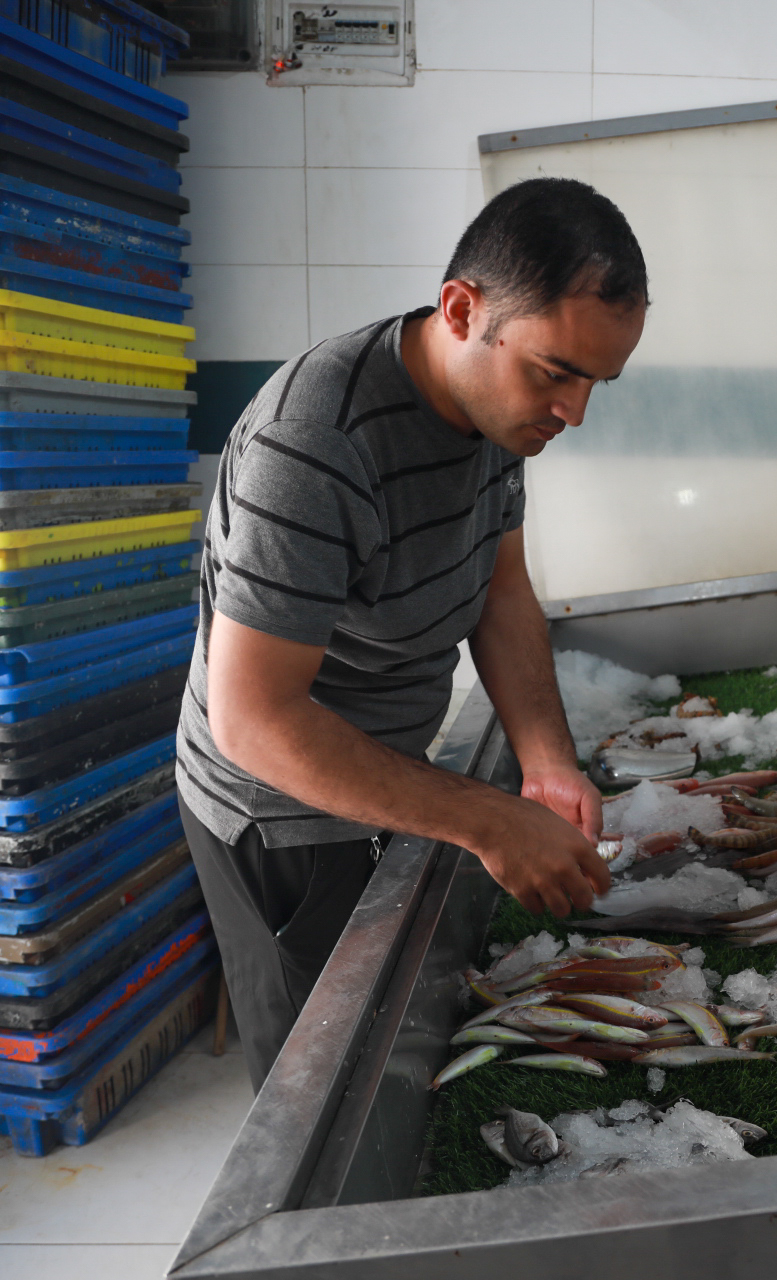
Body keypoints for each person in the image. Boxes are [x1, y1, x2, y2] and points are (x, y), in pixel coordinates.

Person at [175, 178, 647, 1089]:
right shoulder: (314, 442)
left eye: (596, 381)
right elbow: (256, 720)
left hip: (379, 765)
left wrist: (545, 763)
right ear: (463, 310)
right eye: (556, 372)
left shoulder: (494, 417)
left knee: (395, 1043)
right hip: (279, 814)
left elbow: (499, 590)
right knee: (324, 1082)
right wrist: (484, 819)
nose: (574, 412)